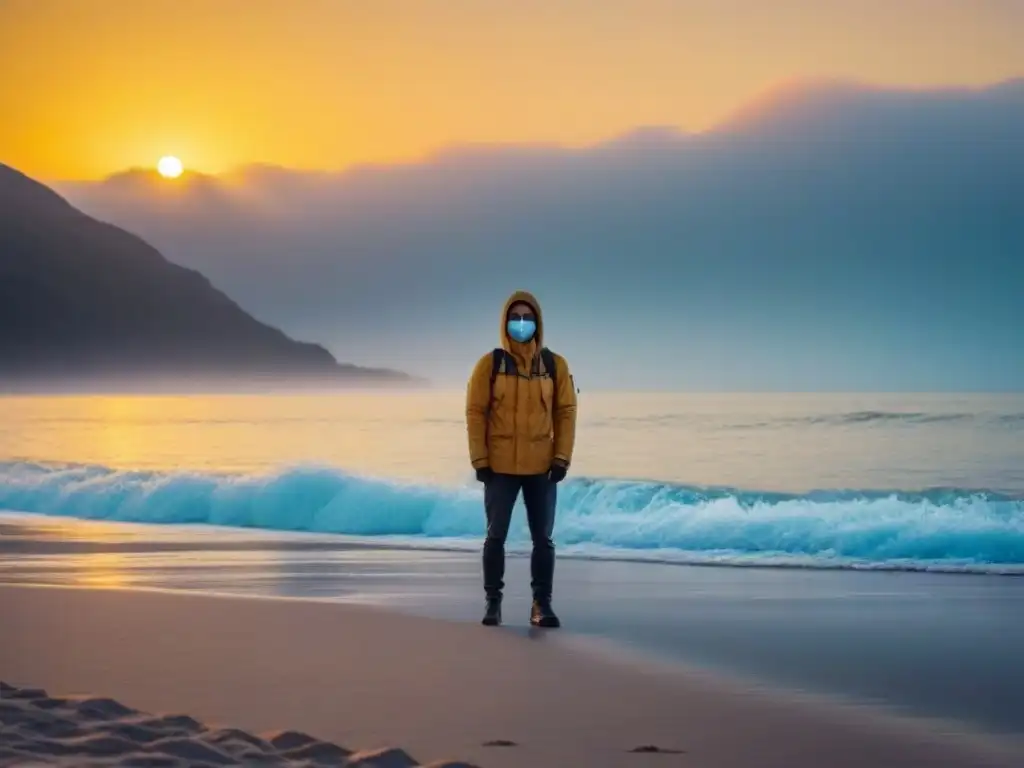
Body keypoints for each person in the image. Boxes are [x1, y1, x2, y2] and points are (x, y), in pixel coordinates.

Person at [465, 290, 578, 628]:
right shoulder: (491, 364)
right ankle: (492, 602)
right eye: (515, 318)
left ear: (538, 324)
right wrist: (479, 459)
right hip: (499, 467)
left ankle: (541, 605)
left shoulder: (554, 365)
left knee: (542, 538)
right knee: (495, 536)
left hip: (541, 467)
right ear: (505, 323)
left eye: (528, 318)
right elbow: (475, 412)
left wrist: (562, 457)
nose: (521, 324)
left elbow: (566, 411)